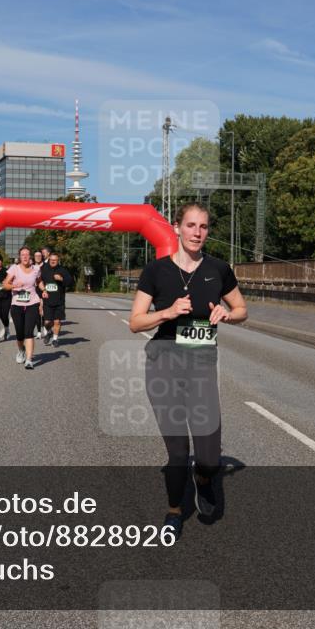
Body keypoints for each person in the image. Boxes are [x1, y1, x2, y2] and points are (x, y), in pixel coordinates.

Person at [129, 202, 248, 538]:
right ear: (176, 227)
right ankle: (174, 511)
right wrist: (166, 312)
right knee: (178, 450)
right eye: (191, 225)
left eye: (204, 227)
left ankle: (205, 477)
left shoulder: (218, 269)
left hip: (201, 364)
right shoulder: (157, 271)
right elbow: (135, 323)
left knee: (209, 455)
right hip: (164, 364)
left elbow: (242, 309)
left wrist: (227, 315)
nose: (197, 233)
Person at [3, 246, 44, 369]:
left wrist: (44, 289)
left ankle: (29, 360)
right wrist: (14, 286)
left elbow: (39, 281)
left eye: (27, 254)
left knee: (28, 332)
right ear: (19, 257)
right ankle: (21, 350)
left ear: (30, 256)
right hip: (17, 305)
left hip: (32, 303)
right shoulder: (14, 269)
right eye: (23, 255)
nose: (25, 257)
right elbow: (5, 285)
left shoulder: (36, 269)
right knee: (20, 334)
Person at [40, 251, 70, 346]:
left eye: (55, 260)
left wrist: (61, 279)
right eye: (51, 260)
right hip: (47, 300)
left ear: (58, 261)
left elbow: (70, 282)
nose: (53, 262)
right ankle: (49, 332)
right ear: (49, 260)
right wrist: (43, 290)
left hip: (59, 301)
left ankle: (55, 339)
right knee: (47, 322)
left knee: (57, 321)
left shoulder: (62, 270)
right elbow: (38, 281)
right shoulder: (43, 269)